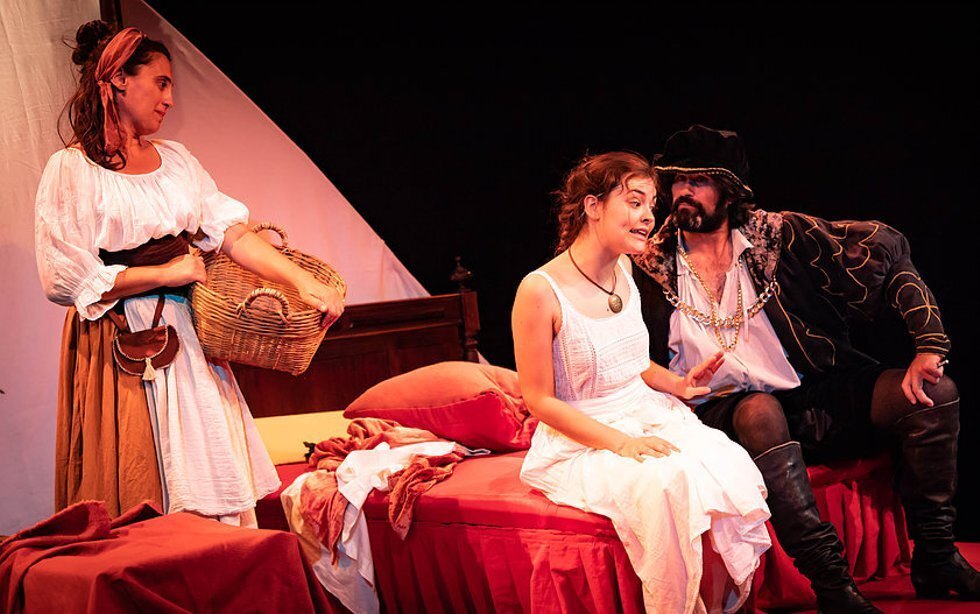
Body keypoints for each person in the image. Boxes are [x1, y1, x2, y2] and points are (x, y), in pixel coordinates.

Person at [632, 124, 978, 612]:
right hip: (720, 413)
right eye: (678, 181)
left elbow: (888, 251)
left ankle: (937, 556)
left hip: (811, 391)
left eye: (699, 180)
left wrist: (929, 344)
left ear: (729, 190)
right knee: (759, 411)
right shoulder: (646, 263)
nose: (684, 192)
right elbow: (625, 350)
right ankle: (832, 584)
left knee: (935, 394)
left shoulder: (779, 237)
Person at [35, 21, 344, 526]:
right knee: (142, 480)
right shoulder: (73, 169)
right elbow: (64, 276)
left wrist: (302, 281)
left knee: (209, 471)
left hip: (184, 332)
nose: (170, 99)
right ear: (119, 80)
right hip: (121, 337)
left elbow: (232, 234)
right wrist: (164, 273)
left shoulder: (177, 161)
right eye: (161, 83)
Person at [512, 151, 772, 613]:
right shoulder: (539, 290)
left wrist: (678, 385)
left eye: (651, 204)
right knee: (668, 482)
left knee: (725, 463)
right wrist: (621, 444)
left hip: (644, 414)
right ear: (593, 206)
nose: (649, 216)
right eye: (634, 202)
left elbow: (632, 362)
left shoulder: (625, 270)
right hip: (582, 437)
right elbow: (538, 400)